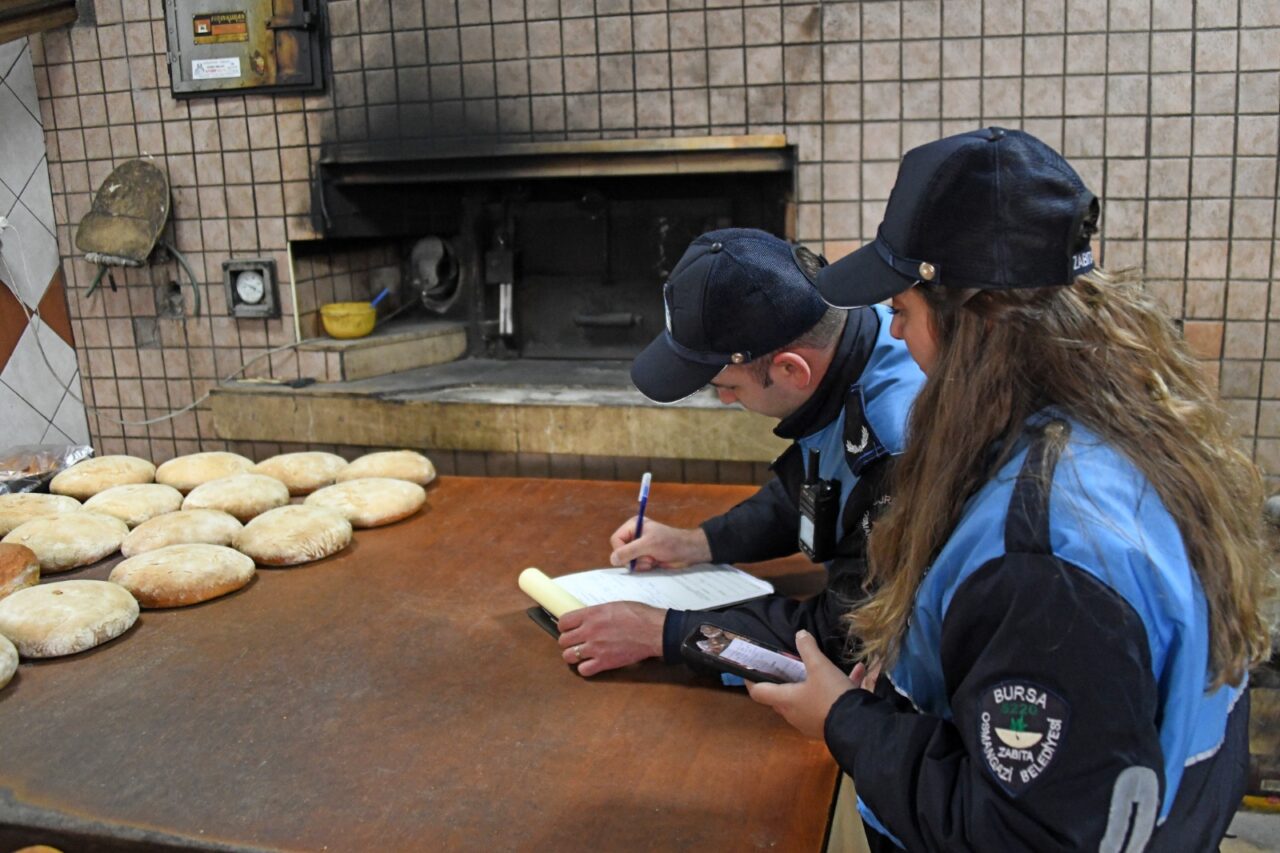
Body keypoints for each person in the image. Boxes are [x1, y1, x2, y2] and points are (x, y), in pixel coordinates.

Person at [747, 127, 1273, 851]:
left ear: (974, 320)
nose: (895, 338)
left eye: (901, 310)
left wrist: (846, 719)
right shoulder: (1119, 428)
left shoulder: (1046, 556)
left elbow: (1022, 832)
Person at [555, 228, 925, 677]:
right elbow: (815, 491)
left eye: (728, 387)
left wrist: (664, 633)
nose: (726, 401)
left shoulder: (896, 449)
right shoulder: (850, 331)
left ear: (791, 369)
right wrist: (698, 543)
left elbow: (847, 635)